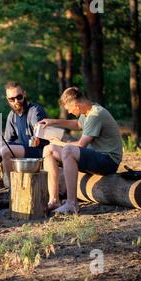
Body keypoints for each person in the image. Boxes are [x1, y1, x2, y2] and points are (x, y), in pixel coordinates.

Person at [40, 86, 123, 214]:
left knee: (68, 150)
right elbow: (78, 124)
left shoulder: (95, 114)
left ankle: (71, 204)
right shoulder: (87, 110)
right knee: (48, 150)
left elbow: (81, 145)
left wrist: (60, 143)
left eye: (70, 109)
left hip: (108, 161)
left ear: (77, 106)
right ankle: (54, 200)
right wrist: (53, 121)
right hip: (96, 157)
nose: (69, 112)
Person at [0, 81, 49, 187]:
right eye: (12, 99)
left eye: (19, 97)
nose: (16, 101)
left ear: (24, 94)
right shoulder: (12, 115)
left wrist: (36, 136)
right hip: (23, 150)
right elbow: (8, 140)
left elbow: (38, 137)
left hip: (38, 151)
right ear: (8, 99)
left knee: (5, 150)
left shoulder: (35, 111)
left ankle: (12, 187)